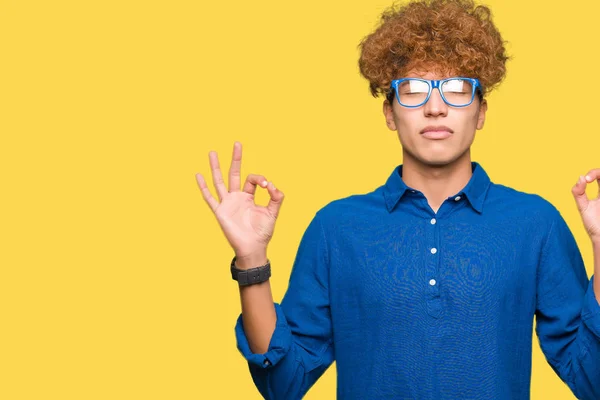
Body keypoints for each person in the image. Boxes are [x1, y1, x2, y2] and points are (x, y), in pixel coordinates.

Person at [195, 0, 600, 398]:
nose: (436, 108)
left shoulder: (535, 223)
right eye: (414, 90)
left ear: (481, 112)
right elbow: (282, 383)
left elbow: (591, 379)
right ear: (389, 113)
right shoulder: (336, 227)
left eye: (458, 89)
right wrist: (251, 261)